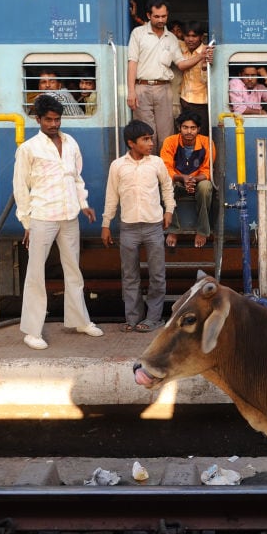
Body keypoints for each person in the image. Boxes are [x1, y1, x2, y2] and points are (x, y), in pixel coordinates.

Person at [13, 94, 104, 350]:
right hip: (42, 216)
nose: (54, 124)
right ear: (38, 119)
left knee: (73, 269)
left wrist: (84, 205)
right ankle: (32, 331)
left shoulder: (71, 142)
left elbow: (77, 178)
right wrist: (27, 223)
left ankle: (79, 321)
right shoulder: (28, 149)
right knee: (36, 274)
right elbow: (20, 188)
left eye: (57, 119)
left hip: (70, 215)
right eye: (49, 120)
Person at [101, 120, 175, 333]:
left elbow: (167, 188)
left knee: (157, 275)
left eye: (150, 138)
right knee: (130, 276)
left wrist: (169, 210)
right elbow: (111, 196)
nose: (151, 143)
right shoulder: (118, 166)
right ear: (131, 143)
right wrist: (106, 224)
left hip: (153, 226)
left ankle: (153, 318)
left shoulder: (157, 163)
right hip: (128, 228)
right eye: (145, 139)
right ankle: (132, 319)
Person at [127, 0, 212, 147]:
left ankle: (165, 168)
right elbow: (132, 63)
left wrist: (201, 56)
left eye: (164, 16)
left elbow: (181, 64)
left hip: (164, 89)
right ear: (148, 15)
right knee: (145, 133)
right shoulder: (138, 34)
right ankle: (149, 168)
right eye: (157, 16)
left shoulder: (172, 38)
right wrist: (131, 91)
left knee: (167, 133)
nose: (161, 20)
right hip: (141, 88)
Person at [161, 110, 215, 248]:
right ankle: (173, 230)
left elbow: (207, 170)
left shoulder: (207, 142)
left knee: (206, 187)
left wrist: (193, 180)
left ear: (198, 129)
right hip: (177, 180)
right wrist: (181, 178)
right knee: (163, 185)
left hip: (197, 181)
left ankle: (202, 230)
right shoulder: (170, 142)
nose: (189, 131)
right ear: (179, 128)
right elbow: (166, 168)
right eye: (185, 127)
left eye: (193, 128)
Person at [178, 21, 211, 134]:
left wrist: (204, 66)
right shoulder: (181, 47)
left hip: (201, 103)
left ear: (201, 37)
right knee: (185, 136)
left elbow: (207, 81)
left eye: (194, 36)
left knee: (201, 136)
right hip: (184, 101)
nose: (190, 39)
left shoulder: (208, 51)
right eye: (187, 36)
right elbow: (163, 37)